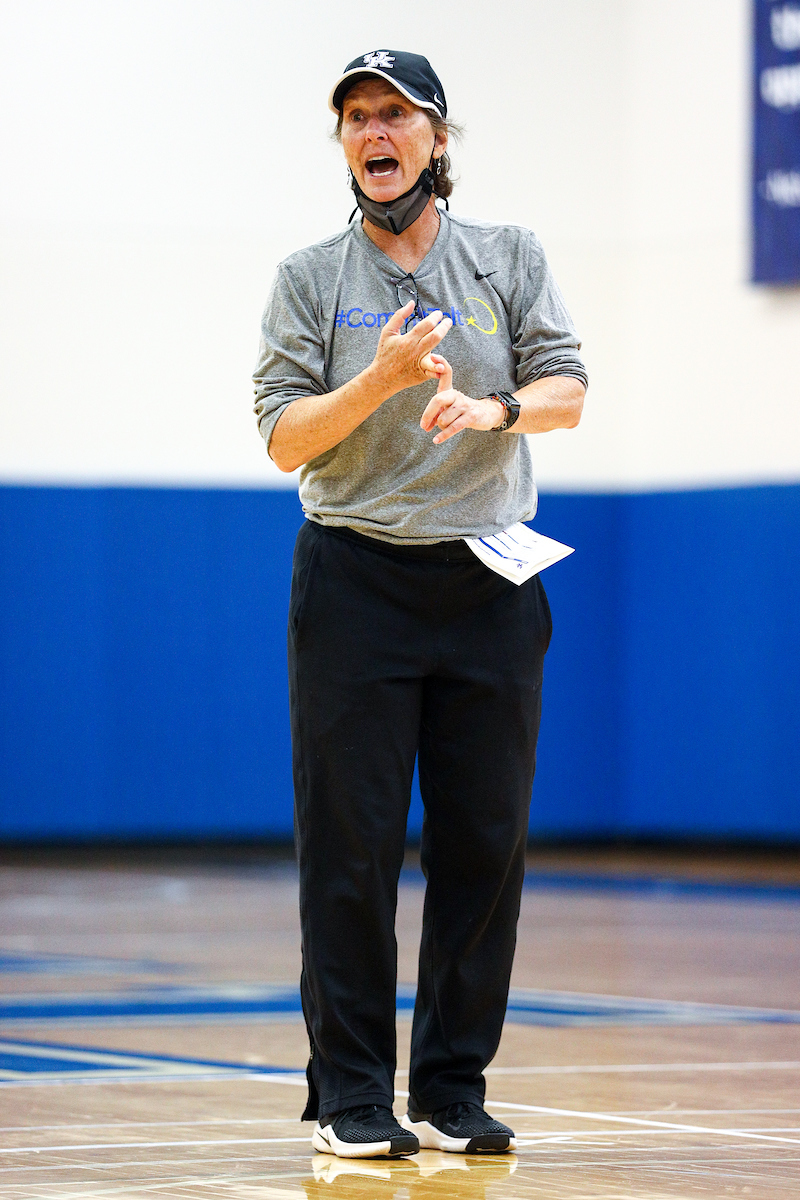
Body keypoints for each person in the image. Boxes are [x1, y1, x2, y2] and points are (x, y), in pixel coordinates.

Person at [253, 49, 587, 1160]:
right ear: (345, 145)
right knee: (349, 850)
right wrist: (380, 384)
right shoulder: (310, 277)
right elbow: (281, 435)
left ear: (437, 140)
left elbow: (566, 390)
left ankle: (449, 1086)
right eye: (355, 117)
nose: (372, 132)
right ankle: (350, 1094)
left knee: (484, 842)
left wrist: (492, 413)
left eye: (393, 114)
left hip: (489, 581)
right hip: (354, 581)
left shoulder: (506, 258)